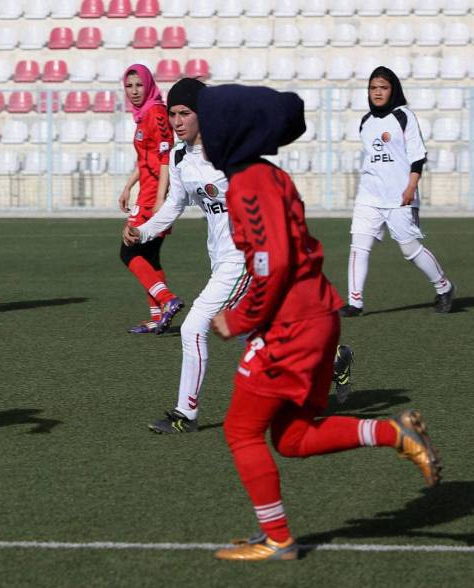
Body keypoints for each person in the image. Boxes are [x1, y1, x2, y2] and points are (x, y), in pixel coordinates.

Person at [198, 84, 441, 561]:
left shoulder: (250, 181)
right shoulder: (265, 174)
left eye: (208, 127)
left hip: (292, 325)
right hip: (314, 317)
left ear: (231, 131)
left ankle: (279, 539)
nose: (204, 137)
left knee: (240, 431)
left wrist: (241, 317)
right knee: (292, 437)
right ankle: (395, 433)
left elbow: (274, 261)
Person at [123, 78, 249, 433]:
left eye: (185, 113)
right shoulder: (179, 155)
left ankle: (185, 414)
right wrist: (143, 230)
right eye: (173, 114)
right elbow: (174, 205)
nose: (177, 121)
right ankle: (328, 361)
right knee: (248, 333)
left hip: (247, 256)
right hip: (222, 257)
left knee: (194, 327)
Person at [341, 66, 454, 316]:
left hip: (400, 195)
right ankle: (355, 302)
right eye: (373, 88)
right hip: (369, 195)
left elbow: (417, 156)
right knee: (359, 245)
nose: (377, 92)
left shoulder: (403, 116)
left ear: (393, 90)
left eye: (383, 87)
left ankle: (444, 287)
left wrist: (411, 187)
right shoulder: (366, 121)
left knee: (409, 249)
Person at [118, 64, 183, 335]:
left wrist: (159, 199)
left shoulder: (156, 113)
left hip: (152, 195)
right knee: (150, 256)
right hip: (145, 191)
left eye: (138, 85)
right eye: (129, 86)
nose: (134, 91)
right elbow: (146, 158)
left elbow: (166, 156)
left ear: (149, 85)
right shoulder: (143, 114)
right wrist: (127, 187)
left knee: (128, 250)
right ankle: (158, 317)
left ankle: (167, 300)